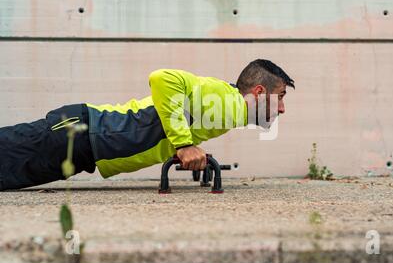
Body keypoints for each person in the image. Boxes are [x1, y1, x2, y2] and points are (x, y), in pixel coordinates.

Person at [0, 59, 294, 191]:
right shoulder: (226, 100)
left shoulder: (228, 106)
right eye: (280, 97)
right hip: (79, 135)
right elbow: (163, 78)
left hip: (83, 142)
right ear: (258, 93)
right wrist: (183, 144)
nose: (281, 108)